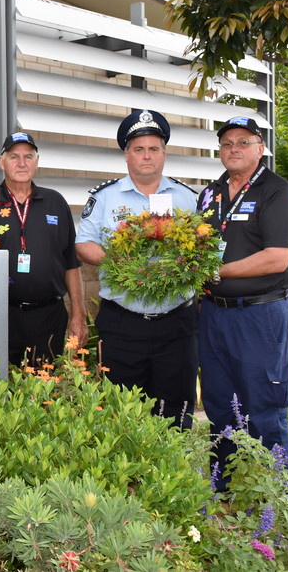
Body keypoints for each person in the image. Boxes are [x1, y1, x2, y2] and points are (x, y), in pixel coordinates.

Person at [196, 116, 288, 491]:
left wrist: (218, 271)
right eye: (227, 143)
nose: (234, 149)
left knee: (264, 407)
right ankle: (224, 494)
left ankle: (279, 499)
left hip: (261, 316)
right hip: (213, 317)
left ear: (260, 148)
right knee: (220, 405)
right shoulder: (210, 193)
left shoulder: (276, 192)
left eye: (244, 142)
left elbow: (277, 258)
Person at [76, 110, 199, 428]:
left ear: (164, 153)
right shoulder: (104, 198)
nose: (147, 156)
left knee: (176, 414)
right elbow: (83, 244)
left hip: (177, 326)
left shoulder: (188, 199)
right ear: (127, 154)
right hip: (123, 326)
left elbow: (206, 248)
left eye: (154, 148)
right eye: (139, 149)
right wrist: (117, 262)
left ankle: (173, 477)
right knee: (122, 416)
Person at [0, 132, 86, 368]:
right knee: (0, 390)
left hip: (49, 317)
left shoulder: (55, 202)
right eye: (14, 156)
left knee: (46, 393)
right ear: (1, 162)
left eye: (28, 156)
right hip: (0, 317)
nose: (21, 163)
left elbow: (71, 264)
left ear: (37, 161)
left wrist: (78, 314)